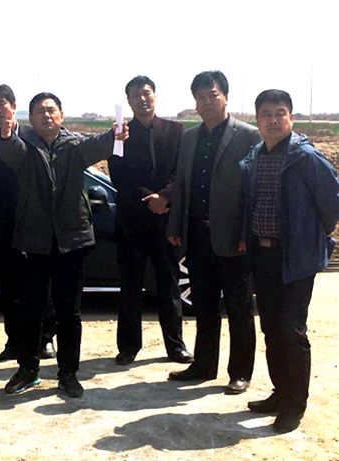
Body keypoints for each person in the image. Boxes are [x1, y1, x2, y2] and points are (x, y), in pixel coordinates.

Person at [0, 92, 128, 398]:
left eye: (51, 110)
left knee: (70, 313)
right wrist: (6, 134)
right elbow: (10, 152)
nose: (46, 115)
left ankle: (68, 373)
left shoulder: (75, 146)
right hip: (34, 241)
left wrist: (114, 134)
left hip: (71, 240)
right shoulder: (24, 145)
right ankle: (28, 369)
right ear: (30, 118)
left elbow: (100, 144)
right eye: (39, 111)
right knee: (31, 310)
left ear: (61, 115)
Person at [240, 90, 339, 433]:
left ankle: (295, 405)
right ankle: (280, 393)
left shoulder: (305, 157)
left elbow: (332, 203)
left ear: (291, 118)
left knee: (292, 330)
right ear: (257, 120)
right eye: (266, 114)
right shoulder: (255, 156)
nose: (273, 120)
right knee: (271, 327)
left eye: (280, 113)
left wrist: (311, 237)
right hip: (263, 255)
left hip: (295, 257)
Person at [166, 70, 260, 395]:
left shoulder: (248, 136)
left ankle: (240, 372)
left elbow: (252, 191)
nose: (206, 102)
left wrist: (247, 232)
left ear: (225, 97)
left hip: (235, 238)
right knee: (204, 305)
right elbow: (182, 184)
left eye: (213, 95)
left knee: (238, 307)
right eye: (201, 97)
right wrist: (176, 226)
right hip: (198, 235)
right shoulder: (189, 138)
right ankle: (204, 365)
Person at [107, 76, 193, 366]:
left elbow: (182, 171)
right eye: (136, 95)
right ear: (128, 101)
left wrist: (164, 197)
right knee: (130, 285)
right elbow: (119, 176)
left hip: (166, 219)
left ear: (155, 96)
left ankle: (175, 346)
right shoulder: (120, 134)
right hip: (131, 221)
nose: (142, 99)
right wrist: (150, 199)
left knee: (169, 284)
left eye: (146, 93)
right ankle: (128, 346)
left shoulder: (176, 131)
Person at [0, 84, 57, 362]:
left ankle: (44, 339)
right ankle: (13, 340)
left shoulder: (33, 136)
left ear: (13, 106)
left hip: (34, 220)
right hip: (2, 222)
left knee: (40, 283)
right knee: (8, 284)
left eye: (2, 104)